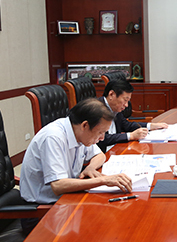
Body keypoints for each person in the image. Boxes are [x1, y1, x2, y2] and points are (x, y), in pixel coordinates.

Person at [20, 98, 133, 231]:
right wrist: (104, 180)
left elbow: (100, 155)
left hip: (66, 201)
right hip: (42, 212)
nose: (102, 138)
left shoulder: (79, 133)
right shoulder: (53, 137)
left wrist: (90, 167)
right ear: (85, 125)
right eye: (100, 132)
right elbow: (58, 186)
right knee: (101, 228)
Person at [97, 79, 168, 152]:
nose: (126, 105)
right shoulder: (96, 109)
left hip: (116, 150)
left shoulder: (114, 108)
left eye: (128, 101)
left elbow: (127, 125)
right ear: (111, 94)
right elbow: (101, 139)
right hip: (103, 154)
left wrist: (151, 126)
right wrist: (131, 136)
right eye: (125, 100)